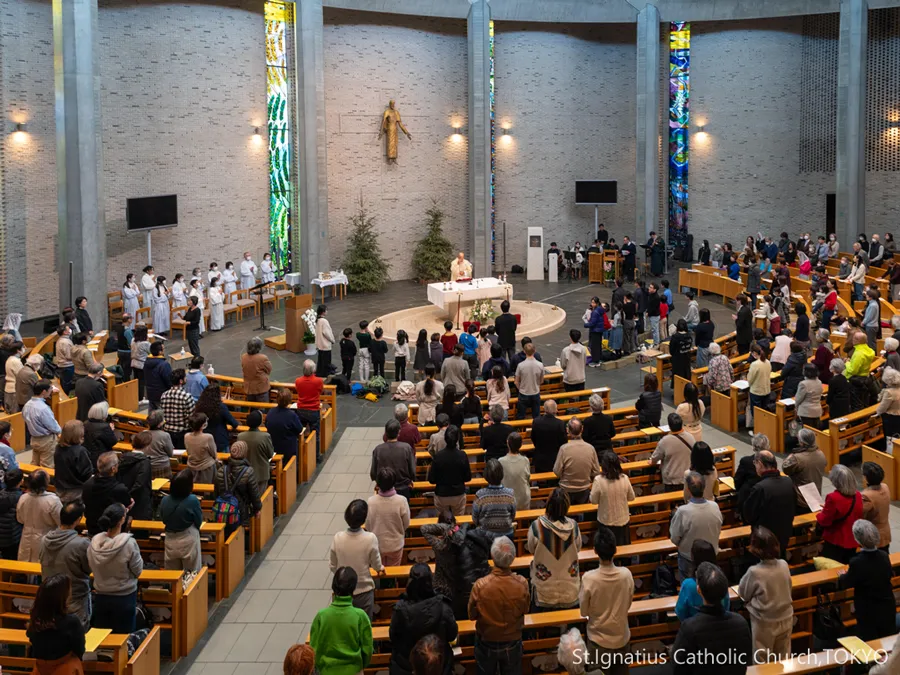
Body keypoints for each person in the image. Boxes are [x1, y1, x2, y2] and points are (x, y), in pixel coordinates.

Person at [670, 562, 752, 675]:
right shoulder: (741, 623)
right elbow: (746, 658)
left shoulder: (690, 628)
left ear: (699, 590)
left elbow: (678, 666)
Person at [468, 536, 530, 675]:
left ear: (492, 556)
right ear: (512, 557)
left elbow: (472, 615)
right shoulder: (522, 583)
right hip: (513, 639)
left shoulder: (480, 585)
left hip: (487, 640)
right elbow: (525, 609)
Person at [580, 526, 634, 675]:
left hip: (598, 641)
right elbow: (628, 604)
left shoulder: (589, 579)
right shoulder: (626, 575)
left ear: (595, 550)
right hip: (621, 637)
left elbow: (583, 611)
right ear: (615, 550)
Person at [389, 564, 457, 675]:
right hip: (437, 665)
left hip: (406, 665)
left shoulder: (400, 610)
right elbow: (452, 634)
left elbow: (393, 637)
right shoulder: (443, 607)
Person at [737, 527, 793, 662]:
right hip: (786, 616)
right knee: (783, 657)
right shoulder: (784, 565)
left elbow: (743, 593)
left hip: (764, 621)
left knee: (762, 659)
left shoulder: (754, 572)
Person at [88, 503, 143, 633]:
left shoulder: (94, 542)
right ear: (122, 520)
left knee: (102, 640)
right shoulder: (129, 544)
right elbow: (138, 570)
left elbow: (91, 565)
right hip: (125, 597)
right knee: (124, 639)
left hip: (101, 596)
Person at [309, 567, 374, 675]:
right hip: (354, 670)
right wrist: (359, 666)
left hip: (327, 671)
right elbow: (367, 649)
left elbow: (314, 648)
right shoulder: (360, 616)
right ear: (353, 588)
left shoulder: (321, 616)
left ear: (333, 586)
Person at [838, 520, 896, 640]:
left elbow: (846, 582)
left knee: (870, 642)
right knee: (887, 639)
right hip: (887, 605)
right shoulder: (884, 556)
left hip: (868, 610)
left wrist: (842, 575)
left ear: (857, 540)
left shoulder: (857, 562)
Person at [39, 501, 92, 628]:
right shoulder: (81, 544)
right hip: (75, 599)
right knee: (77, 640)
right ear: (78, 520)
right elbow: (88, 568)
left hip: (50, 598)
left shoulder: (44, 540)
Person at [329, 499, 384, 618]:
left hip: (342, 592)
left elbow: (333, 566)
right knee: (364, 624)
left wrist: (343, 578)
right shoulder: (370, 538)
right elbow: (376, 565)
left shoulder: (337, 537)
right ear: (364, 519)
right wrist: (380, 568)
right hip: (363, 591)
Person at [527, 488, 581, 609]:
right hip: (570, 590)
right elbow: (578, 548)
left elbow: (531, 549)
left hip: (544, 591)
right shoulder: (574, 527)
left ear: (548, 505)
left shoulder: (537, 526)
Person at [27, 575, 86, 670]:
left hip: (40, 669)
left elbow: (31, 639)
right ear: (63, 598)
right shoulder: (71, 622)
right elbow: (80, 650)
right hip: (65, 669)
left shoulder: (35, 619)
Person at [670, 472, 723, 579]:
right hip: (711, 554)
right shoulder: (714, 506)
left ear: (688, 490)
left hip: (689, 557)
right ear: (704, 487)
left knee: (689, 586)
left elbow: (674, 538)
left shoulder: (682, 511)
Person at [742, 451, 796, 556]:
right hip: (784, 534)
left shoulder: (760, 488)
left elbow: (748, 515)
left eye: (755, 464)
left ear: (760, 464)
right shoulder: (788, 482)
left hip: (764, 539)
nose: (755, 467)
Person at [213, 441, 261, 538]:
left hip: (222, 508)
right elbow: (254, 493)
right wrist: (257, 508)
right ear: (244, 453)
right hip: (240, 509)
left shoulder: (221, 470)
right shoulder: (248, 471)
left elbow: (216, 492)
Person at [816, 463, 862, 564]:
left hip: (836, 539)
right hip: (852, 539)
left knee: (831, 567)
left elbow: (825, 521)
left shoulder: (833, 497)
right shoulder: (858, 495)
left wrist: (820, 514)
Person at [159, 469, 203, 572]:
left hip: (170, 539)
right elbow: (198, 521)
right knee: (192, 575)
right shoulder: (193, 500)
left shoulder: (165, 500)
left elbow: (163, 519)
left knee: (172, 575)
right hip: (188, 538)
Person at [366, 468, 411, 567]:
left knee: (379, 570)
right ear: (394, 482)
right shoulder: (401, 501)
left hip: (377, 545)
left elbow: (368, 525)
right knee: (393, 572)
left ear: (378, 484)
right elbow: (406, 523)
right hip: (395, 544)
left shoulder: (370, 501)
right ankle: (391, 582)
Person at [675, 539, 728, 620]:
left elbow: (680, 612)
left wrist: (690, 624)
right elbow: (726, 606)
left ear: (693, 559)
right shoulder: (720, 579)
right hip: (721, 624)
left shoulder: (688, 585)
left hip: (694, 628)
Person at [16, 469, 62, 562]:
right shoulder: (53, 500)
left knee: (26, 564)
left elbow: (20, 519)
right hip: (46, 537)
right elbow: (61, 522)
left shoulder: (23, 498)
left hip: (26, 536)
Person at [590, 451, 634, 546]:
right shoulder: (625, 478)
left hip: (606, 522)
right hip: (623, 521)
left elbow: (593, 501)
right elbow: (631, 497)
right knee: (623, 552)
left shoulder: (598, 480)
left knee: (607, 552)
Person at [81, 452, 131, 535]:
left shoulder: (87, 484)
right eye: (117, 463)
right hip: (112, 531)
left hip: (92, 527)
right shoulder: (119, 489)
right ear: (113, 469)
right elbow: (126, 504)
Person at [553, 418, 600, 505]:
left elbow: (557, 472)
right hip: (584, 489)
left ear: (568, 431)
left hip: (566, 489)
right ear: (582, 429)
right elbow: (596, 471)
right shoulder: (590, 448)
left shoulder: (564, 449)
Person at [427, 426, 470, 515]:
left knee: (442, 522)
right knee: (458, 521)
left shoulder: (438, 456)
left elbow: (432, 479)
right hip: (458, 494)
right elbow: (467, 478)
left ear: (445, 439)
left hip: (442, 494)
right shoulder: (462, 455)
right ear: (457, 439)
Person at [782, 428, 827, 513]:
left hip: (800, 498)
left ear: (801, 442)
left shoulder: (797, 458)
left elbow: (785, 468)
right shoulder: (821, 454)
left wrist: (792, 455)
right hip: (815, 495)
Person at [371, 419, 416, 500]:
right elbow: (412, 471)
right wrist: (412, 479)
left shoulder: (378, 449)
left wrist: (379, 482)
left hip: (384, 489)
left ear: (386, 433)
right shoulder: (406, 448)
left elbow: (373, 473)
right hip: (403, 488)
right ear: (398, 433)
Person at [650, 413, 695, 492]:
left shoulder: (665, 441)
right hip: (688, 477)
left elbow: (655, 458)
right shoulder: (690, 437)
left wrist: (651, 461)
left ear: (669, 426)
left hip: (672, 480)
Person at [471, 459, 516, 536]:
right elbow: (513, 516)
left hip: (485, 537)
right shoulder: (510, 494)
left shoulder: (480, 495)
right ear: (502, 473)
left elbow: (475, 519)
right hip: (506, 535)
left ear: (486, 475)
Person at [23, 380, 62, 468]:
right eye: (50, 389)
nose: (51, 391)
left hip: (34, 438)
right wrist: (60, 432)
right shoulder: (43, 408)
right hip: (46, 440)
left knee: (34, 464)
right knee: (47, 466)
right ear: (44, 392)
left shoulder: (27, 405)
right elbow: (53, 426)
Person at [53, 421, 93, 504]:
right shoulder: (80, 451)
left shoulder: (58, 448)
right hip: (75, 490)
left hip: (60, 487)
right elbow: (86, 473)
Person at [238, 410, 275, 495]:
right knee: (260, 498)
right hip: (261, 473)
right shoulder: (265, 436)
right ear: (260, 422)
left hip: (245, 473)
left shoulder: (240, 436)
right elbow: (270, 454)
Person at [195, 383, 238, 452]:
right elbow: (234, 423)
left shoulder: (199, 406)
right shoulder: (221, 407)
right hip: (220, 440)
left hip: (204, 439)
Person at [266, 388, 305, 465]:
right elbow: (300, 429)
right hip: (288, 448)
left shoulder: (271, 412)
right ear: (289, 401)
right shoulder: (291, 415)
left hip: (273, 445)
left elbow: (267, 424)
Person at [160, 368, 195, 448]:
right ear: (181, 381)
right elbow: (192, 416)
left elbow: (163, 413)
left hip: (167, 431)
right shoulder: (187, 396)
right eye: (185, 377)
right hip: (182, 432)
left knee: (170, 455)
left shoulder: (164, 395)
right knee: (182, 456)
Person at [861, 461, 891, 551]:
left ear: (866, 478)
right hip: (885, 531)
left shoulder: (867, 496)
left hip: (873, 535)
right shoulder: (885, 486)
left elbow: (860, 514)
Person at [294, 359, 324, 451]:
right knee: (315, 434)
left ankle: (300, 453)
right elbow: (320, 391)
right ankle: (316, 456)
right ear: (313, 370)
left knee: (300, 433)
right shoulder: (318, 381)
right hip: (313, 410)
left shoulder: (298, 381)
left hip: (301, 410)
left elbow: (298, 391)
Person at [530, 399, 567, 473]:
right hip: (555, 458)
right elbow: (564, 442)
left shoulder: (536, 422)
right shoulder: (560, 424)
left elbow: (533, 437)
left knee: (540, 480)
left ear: (544, 409)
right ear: (556, 410)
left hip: (540, 457)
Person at [499, 432, 530, 510]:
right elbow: (528, 478)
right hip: (523, 499)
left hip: (507, 500)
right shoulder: (525, 460)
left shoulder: (501, 461)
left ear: (507, 443)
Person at [581, 393, 616, 459]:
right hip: (607, 450)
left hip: (593, 451)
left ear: (591, 407)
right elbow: (613, 433)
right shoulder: (608, 418)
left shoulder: (587, 421)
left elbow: (585, 437)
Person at [746, 342, 771, 432]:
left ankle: (757, 430)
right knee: (764, 411)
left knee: (756, 413)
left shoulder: (755, 364)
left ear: (754, 353)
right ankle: (764, 428)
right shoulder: (767, 362)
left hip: (756, 391)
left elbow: (750, 379)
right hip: (766, 390)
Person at [0, 468, 23, 559]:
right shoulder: (20, 498)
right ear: (21, 482)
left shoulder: (1, 493)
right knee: (12, 557)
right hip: (12, 536)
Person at [143, 341, 172, 410]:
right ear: (160, 352)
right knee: (162, 417)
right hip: (162, 395)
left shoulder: (146, 362)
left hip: (150, 393)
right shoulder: (164, 365)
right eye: (163, 349)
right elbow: (169, 381)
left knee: (152, 417)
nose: (164, 351)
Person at [242, 337, 273, 403]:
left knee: (252, 409)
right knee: (262, 409)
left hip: (249, 389)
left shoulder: (243, 357)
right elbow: (269, 369)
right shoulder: (263, 358)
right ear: (258, 348)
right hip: (261, 389)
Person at [875, 366, 900, 439]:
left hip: (891, 417)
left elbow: (883, 407)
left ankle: (890, 450)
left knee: (891, 437)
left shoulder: (889, 392)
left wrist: (877, 412)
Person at [130, 323, 151, 402]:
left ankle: (137, 396)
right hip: (142, 364)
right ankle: (140, 399)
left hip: (134, 362)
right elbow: (150, 351)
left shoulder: (133, 340)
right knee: (142, 382)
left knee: (136, 380)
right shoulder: (145, 343)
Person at [584, 296, 607, 364]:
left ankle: (595, 360)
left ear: (596, 303)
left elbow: (593, 323)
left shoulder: (595, 312)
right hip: (599, 330)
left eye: (593, 303)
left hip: (595, 330)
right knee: (598, 345)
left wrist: (586, 325)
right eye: (592, 302)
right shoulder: (600, 310)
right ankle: (599, 358)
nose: (592, 304)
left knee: (594, 346)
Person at [54, 324, 75, 396]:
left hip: (63, 366)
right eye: (68, 329)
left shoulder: (61, 340)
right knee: (67, 385)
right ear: (64, 332)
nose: (70, 330)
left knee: (65, 383)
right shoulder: (65, 342)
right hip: (67, 366)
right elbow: (69, 356)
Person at [315, 304, 335, 378]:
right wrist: (332, 340)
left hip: (320, 345)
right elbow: (327, 333)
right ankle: (325, 376)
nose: (327, 311)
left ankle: (319, 374)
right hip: (325, 345)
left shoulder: (318, 320)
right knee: (326, 363)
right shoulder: (324, 321)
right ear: (323, 312)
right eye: (326, 310)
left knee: (321, 362)